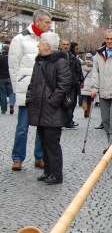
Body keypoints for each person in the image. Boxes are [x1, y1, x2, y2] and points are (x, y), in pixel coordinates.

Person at [25, 31, 72, 185]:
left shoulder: (60, 62)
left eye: (41, 42)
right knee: (44, 143)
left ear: (48, 46)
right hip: (40, 110)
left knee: (52, 144)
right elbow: (32, 83)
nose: (38, 45)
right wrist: (30, 98)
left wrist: (52, 102)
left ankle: (56, 175)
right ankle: (48, 171)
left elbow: (64, 85)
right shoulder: (39, 61)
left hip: (53, 110)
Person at [9, 8, 52, 171]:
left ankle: (39, 157)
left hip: (44, 90)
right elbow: (13, 66)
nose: (49, 25)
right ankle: (17, 158)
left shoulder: (49, 38)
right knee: (22, 127)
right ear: (38, 21)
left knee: (42, 127)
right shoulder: (20, 39)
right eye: (47, 22)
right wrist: (17, 89)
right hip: (26, 90)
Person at [60, 38, 83, 128]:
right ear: (61, 45)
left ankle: (68, 122)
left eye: (67, 44)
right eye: (64, 44)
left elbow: (78, 70)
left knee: (71, 103)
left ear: (69, 46)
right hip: (59, 85)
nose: (66, 46)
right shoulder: (56, 57)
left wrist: (80, 80)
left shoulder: (74, 58)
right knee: (60, 104)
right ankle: (61, 121)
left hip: (72, 85)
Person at [0, 46, 15, 115]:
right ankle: (11, 104)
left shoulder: (0, 58)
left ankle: (3, 109)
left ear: (3, 50)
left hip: (1, 78)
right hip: (10, 77)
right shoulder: (12, 59)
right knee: (12, 92)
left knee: (3, 94)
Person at [80, 53, 94, 117]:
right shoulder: (94, 65)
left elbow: (80, 74)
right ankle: (88, 112)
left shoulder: (82, 65)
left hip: (84, 83)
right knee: (90, 99)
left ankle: (85, 109)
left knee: (84, 99)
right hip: (91, 83)